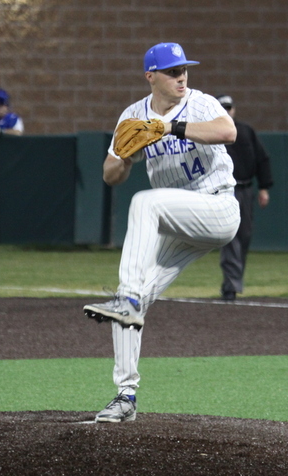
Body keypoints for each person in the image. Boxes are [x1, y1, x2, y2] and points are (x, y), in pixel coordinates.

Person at [82, 42, 241, 423]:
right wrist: (126, 155)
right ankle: (125, 396)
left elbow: (228, 131)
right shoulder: (133, 115)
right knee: (133, 299)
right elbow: (110, 174)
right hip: (177, 220)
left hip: (217, 207)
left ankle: (127, 301)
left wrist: (170, 127)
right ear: (150, 76)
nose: (181, 76)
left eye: (183, 68)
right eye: (172, 71)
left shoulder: (199, 103)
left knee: (145, 202)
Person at [215, 95, 273, 301]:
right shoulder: (211, 133)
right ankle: (231, 287)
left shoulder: (246, 131)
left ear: (234, 110)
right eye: (223, 108)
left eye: (229, 107)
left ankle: (232, 282)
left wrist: (264, 187)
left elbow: (262, 159)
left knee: (245, 236)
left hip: (246, 189)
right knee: (230, 238)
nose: (227, 111)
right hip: (224, 192)